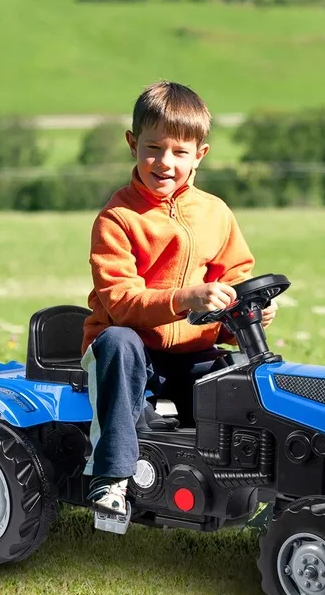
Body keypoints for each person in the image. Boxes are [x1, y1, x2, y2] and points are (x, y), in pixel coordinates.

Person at [80, 81, 277, 513]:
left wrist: (251, 315)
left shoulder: (216, 213)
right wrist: (187, 298)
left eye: (179, 152)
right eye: (153, 148)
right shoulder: (117, 218)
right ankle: (110, 478)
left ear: (199, 155)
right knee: (117, 342)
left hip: (193, 356)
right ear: (132, 144)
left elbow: (234, 280)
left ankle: (263, 481)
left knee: (241, 375)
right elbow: (121, 303)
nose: (165, 162)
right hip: (134, 355)